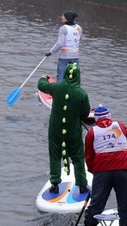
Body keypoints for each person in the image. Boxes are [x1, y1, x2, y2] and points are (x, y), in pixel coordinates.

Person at [81, 104, 127, 226]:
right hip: (123, 170)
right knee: (124, 208)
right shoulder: (121, 126)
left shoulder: (92, 133)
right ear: (109, 117)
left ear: (96, 119)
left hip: (102, 172)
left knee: (96, 206)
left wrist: (94, 172)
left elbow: (89, 157)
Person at [37, 60, 90, 195]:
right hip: (73, 131)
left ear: (65, 75)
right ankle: (82, 185)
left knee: (55, 155)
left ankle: (55, 185)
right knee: (78, 157)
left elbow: (41, 85)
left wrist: (45, 77)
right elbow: (84, 114)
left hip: (55, 130)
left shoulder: (56, 88)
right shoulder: (82, 94)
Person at [45, 10, 82, 83]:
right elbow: (80, 40)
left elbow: (60, 43)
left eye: (63, 16)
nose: (62, 17)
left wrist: (51, 52)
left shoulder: (63, 29)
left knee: (61, 75)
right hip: (75, 55)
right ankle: (73, 92)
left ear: (67, 18)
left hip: (64, 56)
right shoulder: (79, 28)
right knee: (74, 76)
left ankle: (60, 92)